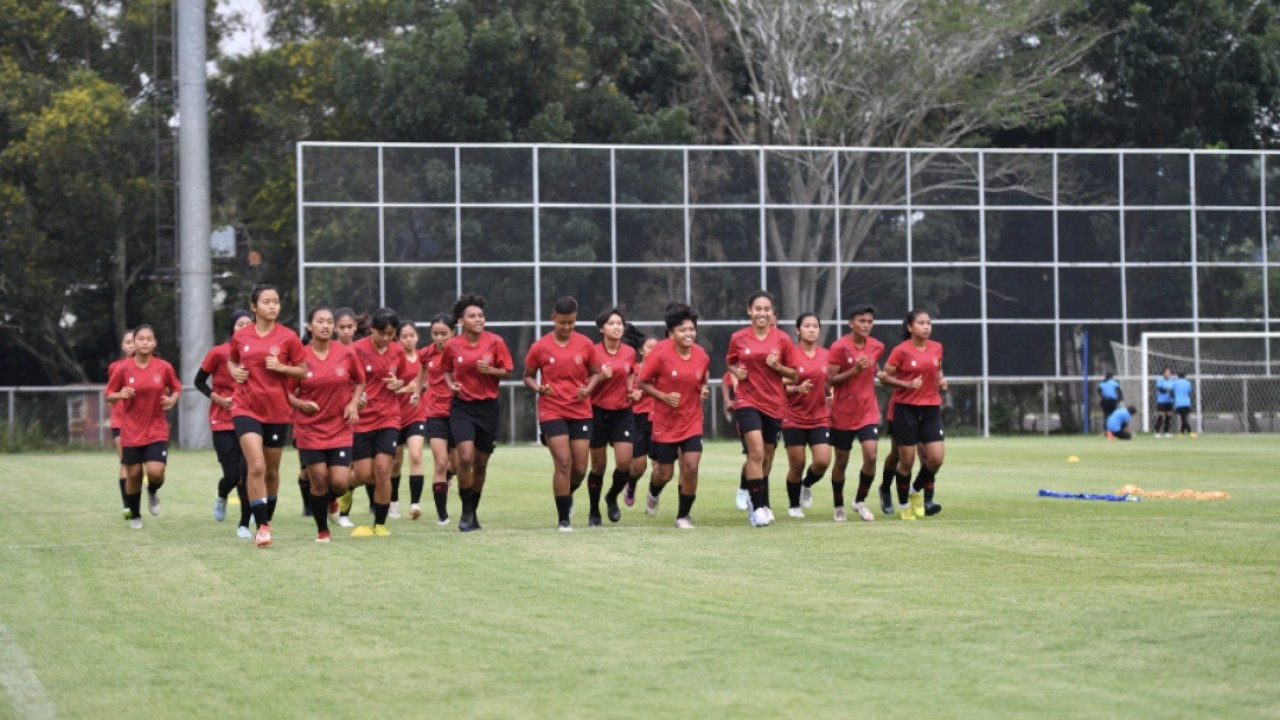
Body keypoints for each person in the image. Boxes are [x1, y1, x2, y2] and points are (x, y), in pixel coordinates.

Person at [228, 284, 307, 548]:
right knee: (257, 466)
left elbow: (302, 370)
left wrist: (282, 367)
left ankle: (266, 520)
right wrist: (234, 371)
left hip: (277, 410)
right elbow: (231, 360)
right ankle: (261, 526)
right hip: (245, 408)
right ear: (254, 307)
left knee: (272, 471)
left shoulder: (288, 337)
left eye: (276, 301)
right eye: (266, 302)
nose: (272, 306)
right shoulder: (242, 337)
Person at [524, 297, 602, 531]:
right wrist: (539, 388)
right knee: (564, 462)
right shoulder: (540, 346)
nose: (567, 327)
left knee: (579, 469)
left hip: (580, 410)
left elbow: (596, 373)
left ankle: (567, 496)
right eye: (562, 323)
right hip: (552, 409)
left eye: (571, 323)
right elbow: (527, 375)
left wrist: (587, 388)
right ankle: (563, 521)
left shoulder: (586, 344)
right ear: (553, 319)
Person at [289, 306, 366, 542]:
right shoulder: (299, 357)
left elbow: (360, 381)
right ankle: (323, 530)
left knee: (341, 483)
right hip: (310, 429)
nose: (325, 325)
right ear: (309, 326)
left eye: (329, 321)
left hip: (340, 427)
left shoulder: (346, 353)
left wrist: (353, 404)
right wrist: (300, 404)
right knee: (319, 479)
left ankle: (333, 500)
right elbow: (287, 392)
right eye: (320, 321)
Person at [725, 291, 798, 527]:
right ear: (749, 311)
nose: (762, 313)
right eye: (758, 308)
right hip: (747, 401)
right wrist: (737, 372)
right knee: (755, 453)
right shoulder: (738, 337)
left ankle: (761, 500)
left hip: (774, 404)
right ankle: (756, 509)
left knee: (766, 458)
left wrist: (778, 366)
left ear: (772, 312)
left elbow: (794, 372)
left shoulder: (783, 339)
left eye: (767, 309)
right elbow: (730, 361)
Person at [442, 294, 514, 532]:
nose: (478, 319)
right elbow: (446, 370)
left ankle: (474, 510)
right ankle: (465, 512)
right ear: (461, 321)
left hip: (488, 409)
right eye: (472, 316)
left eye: (481, 316)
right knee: (464, 458)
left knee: (481, 463)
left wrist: (491, 370)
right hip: (462, 407)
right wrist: (452, 385)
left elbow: (508, 372)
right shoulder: (452, 345)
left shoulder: (495, 342)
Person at [636, 302, 711, 529]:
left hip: (691, 421)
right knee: (665, 473)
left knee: (691, 466)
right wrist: (663, 397)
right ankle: (653, 491)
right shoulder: (659, 354)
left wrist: (703, 390)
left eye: (691, 329)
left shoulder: (702, 356)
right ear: (671, 334)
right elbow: (642, 382)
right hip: (665, 423)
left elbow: (700, 380)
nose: (688, 334)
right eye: (682, 330)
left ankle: (683, 516)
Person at [105, 325, 181, 529]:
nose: (145, 342)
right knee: (134, 474)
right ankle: (136, 514)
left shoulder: (164, 367)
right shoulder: (122, 368)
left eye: (149, 338)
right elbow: (108, 394)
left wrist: (172, 399)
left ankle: (153, 491)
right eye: (140, 339)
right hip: (130, 430)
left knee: (156, 472)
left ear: (154, 342)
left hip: (156, 429)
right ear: (133, 343)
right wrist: (120, 394)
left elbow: (176, 387)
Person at [882, 310, 947, 521]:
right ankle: (903, 504)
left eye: (929, 323)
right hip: (905, 409)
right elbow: (885, 377)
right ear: (910, 327)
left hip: (931, 408)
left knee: (935, 458)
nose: (926, 326)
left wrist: (941, 380)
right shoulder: (900, 351)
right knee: (907, 461)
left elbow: (937, 370)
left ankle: (915, 491)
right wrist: (907, 384)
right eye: (921, 323)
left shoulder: (937, 347)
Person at [349, 308, 409, 537]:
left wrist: (398, 383)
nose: (386, 338)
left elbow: (402, 377)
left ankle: (380, 524)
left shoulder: (398, 350)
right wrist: (354, 400)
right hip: (361, 420)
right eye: (382, 333)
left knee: (384, 470)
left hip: (388, 417)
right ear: (372, 329)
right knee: (364, 475)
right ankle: (345, 493)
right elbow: (344, 381)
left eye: (391, 334)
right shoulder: (356, 350)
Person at [196, 310, 255, 538]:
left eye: (249, 324)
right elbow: (198, 381)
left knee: (246, 471)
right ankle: (222, 495)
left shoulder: (257, 353)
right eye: (240, 324)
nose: (245, 327)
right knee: (232, 475)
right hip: (222, 421)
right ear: (232, 328)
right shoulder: (218, 353)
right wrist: (218, 398)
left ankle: (244, 522)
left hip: (249, 418)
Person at [826, 304, 885, 523]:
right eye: (862, 321)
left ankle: (860, 501)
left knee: (871, 455)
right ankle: (838, 504)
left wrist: (880, 373)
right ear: (851, 323)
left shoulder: (877, 346)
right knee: (841, 461)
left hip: (868, 411)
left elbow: (874, 366)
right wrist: (854, 370)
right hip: (843, 413)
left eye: (869, 321)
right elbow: (830, 380)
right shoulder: (839, 347)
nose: (866, 325)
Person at [589, 308, 639, 525]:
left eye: (620, 323)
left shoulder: (629, 352)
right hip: (597, 412)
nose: (617, 327)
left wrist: (632, 392)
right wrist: (600, 377)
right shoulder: (591, 352)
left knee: (625, 464)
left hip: (621, 412)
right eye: (612, 323)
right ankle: (594, 511)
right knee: (598, 466)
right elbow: (583, 384)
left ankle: (611, 496)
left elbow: (630, 376)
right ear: (602, 328)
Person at [782, 313, 832, 519]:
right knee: (797, 464)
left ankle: (807, 484)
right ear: (797, 330)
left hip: (820, 417)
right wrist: (797, 388)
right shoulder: (790, 355)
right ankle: (794, 505)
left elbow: (833, 382)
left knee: (822, 461)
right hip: (793, 416)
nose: (811, 329)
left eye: (815, 326)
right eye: (807, 326)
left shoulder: (827, 355)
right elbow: (779, 386)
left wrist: (833, 395)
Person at [418, 313, 458, 524]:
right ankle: (442, 515)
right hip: (435, 414)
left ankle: (451, 473)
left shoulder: (461, 353)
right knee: (440, 462)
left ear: (453, 332)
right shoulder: (426, 354)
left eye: (444, 334)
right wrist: (417, 392)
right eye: (435, 334)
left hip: (459, 414)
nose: (440, 338)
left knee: (459, 464)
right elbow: (420, 373)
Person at [332, 307, 370, 527]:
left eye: (350, 327)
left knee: (363, 474)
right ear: (335, 328)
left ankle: (340, 501)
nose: (346, 331)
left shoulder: (361, 351)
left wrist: (360, 398)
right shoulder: (330, 350)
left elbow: (364, 381)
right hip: (333, 418)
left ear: (355, 327)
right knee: (338, 470)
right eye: (342, 327)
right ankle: (340, 512)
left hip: (361, 417)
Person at [389, 319, 427, 521]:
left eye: (412, 335)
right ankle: (393, 502)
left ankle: (415, 504)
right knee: (395, 462)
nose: (409, 340)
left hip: (416, 414)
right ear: (398, 338)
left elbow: (427, 383)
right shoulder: (395, 358)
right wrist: (406, 388)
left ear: (417, 337)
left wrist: (420, 388)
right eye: (404, 336)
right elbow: (390, 387)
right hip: (394, 416)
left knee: (416, 455)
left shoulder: (423, 358)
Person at [621, 325, 657, 508]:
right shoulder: (633, 369)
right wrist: (632, 395)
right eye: (650, 347)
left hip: (658, 420)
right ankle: (632, 483)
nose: (655, 350)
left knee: (659, 466)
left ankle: (653, 493)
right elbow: (625, 392)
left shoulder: (663, 370)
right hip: (637, 420)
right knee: (639, 466)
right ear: (641, 351)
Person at [105, 330, 136, 519]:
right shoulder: (115, 367)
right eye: (128, 342)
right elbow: (109, 396)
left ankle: (143, 494)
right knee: (125, 461)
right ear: (123, 346)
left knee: (140, 467)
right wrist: (120, 394)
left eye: (135, 341)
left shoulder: (153, 367)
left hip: (142, 423)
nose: (132, 345)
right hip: (120, 420)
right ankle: (128, 506)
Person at [1173, 372, 1195, 437]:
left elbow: (1172, 391)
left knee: (1183, 418)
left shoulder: (1175, 383)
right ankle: (1181, 433)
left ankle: (1190, 432)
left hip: (1179, 403)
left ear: (1178, 376)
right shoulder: (1188, 383)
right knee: (1184, 417)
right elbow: (1189, 392)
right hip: (1187, 402)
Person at [1154, 367, 1175, 437]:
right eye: (1166, 372)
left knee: (1168, 416)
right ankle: (1157, 432)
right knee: (1161, 416)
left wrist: (1172, 393)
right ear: (1163, 373)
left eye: (1169, 372)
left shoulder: (1172, 381)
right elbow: (1161, 390)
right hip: (1162, 401)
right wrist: (1168, 390)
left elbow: (1173, 391)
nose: (1168, 373)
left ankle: (1167, 432)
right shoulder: (1160, 379)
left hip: (1169, 401)